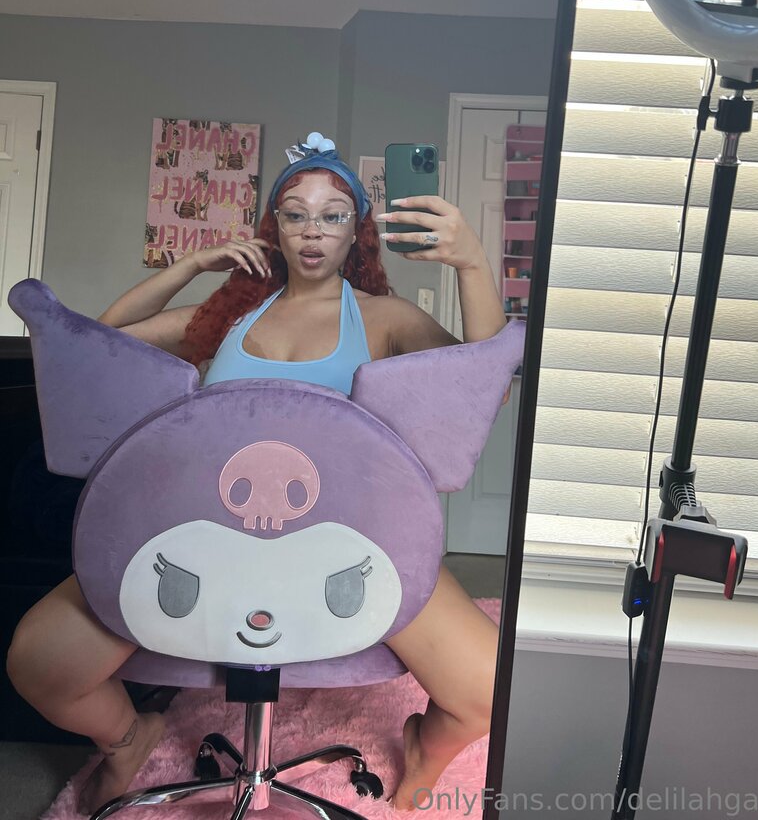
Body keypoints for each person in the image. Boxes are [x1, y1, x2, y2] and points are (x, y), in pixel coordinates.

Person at [6, 131, 510, 815]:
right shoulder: (230, 315)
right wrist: (191, 264)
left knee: (489, 690)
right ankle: (130, 740)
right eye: (295, 214)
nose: (313, 230)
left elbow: (485, 388)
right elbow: (103, 341)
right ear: (274, 228)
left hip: (348, 545)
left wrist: (472, 264)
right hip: (202, 538)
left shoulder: (385, 319)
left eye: (332, 215)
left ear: (356, 232)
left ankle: (427, 751)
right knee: (40, 663)